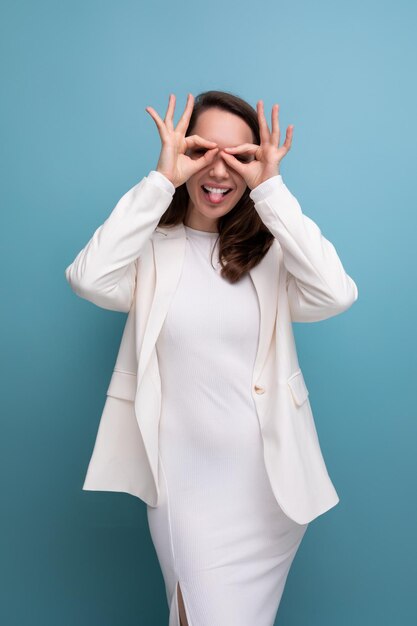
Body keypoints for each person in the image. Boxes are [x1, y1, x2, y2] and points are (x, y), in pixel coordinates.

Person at [65, 90, 358, 626]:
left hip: (271, 489)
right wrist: (160, 181)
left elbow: (335, 294)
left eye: (240, 157)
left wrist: (270, 189)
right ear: (183, 152)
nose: (218, 169)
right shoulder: (151, 249)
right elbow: (88, 278)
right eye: (203, 150)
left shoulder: (269, 255)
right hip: (187, 489)